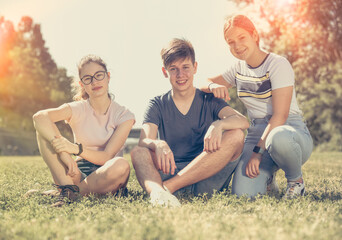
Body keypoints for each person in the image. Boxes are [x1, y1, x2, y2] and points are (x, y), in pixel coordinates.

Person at [201, 15, 313, 199]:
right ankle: (268, 178)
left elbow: (280, 116)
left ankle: (296, 182)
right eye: (231, 42)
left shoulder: (277, 64)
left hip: (289, 132)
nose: (237, 46)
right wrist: (213, 86)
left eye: (242, 38)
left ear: (254, 35)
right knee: (244, 194)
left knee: (278, 138)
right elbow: (202, 82)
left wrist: (257, 154)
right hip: (256, 134)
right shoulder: (237, 69)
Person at [130, 38, 249, 207]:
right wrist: (158, 143)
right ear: (165, 72)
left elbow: (243, 121)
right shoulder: (157, 103)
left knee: (236, 135)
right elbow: (144, 140)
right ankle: (158, 193)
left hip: (206, 176)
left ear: (195, 67)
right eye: (174, 69)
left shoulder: (210, 100)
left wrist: (218, 124)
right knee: (138, 151)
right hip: (170, 170)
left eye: (185, 67)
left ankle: (166, 189)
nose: (180, 75)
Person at [32, 55, 135, 207]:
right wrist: (63, 153)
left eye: (99, 75)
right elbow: (39, 117)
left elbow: (106, 157)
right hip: (75, 173)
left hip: (107, 175)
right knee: (43, 131)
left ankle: (69, 194)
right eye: (88, 78)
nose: (94, 82)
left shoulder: (124, 115)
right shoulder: (77, 108)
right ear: (82, 84)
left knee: (121, 165)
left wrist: (74, 148)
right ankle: (68, 189)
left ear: (108, 77)